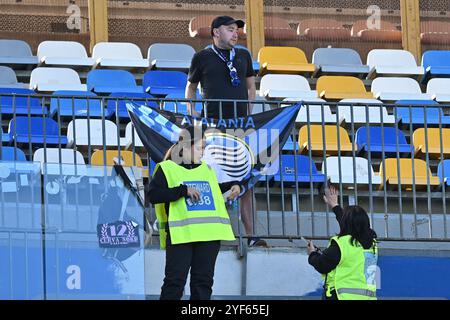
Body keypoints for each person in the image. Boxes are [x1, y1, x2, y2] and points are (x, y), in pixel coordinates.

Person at [185, 15, 266, 247]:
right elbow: (190, 88)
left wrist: (248, 113)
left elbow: (251, 87)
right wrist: (193, 112)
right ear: (215, 32)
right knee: (212, 179)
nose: (235, 33)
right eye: (230, 29)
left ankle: (251, 236)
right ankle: (210, 234)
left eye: (236, 30)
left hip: (240, 128)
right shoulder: (201, 57)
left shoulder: (243, 55)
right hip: (213, 129)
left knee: (246, 180)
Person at [147, 126, 241, 300]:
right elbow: (153, 195)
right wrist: (183, 191)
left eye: (204, 148)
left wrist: (233, 185)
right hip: (181, 235)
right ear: (186, 147)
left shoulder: (206, 169)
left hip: (209, 236)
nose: (203, 152)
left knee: (203, 284)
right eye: (200, 148)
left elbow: (214, 190)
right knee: (174, 283)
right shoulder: (167, 168)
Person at [307, 185, 378, 300]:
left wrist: (312, 254)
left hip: (341, 297)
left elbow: (322, 265)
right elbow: (352, 224)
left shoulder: (342, 245)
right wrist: (334, 205)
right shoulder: (372, 244)